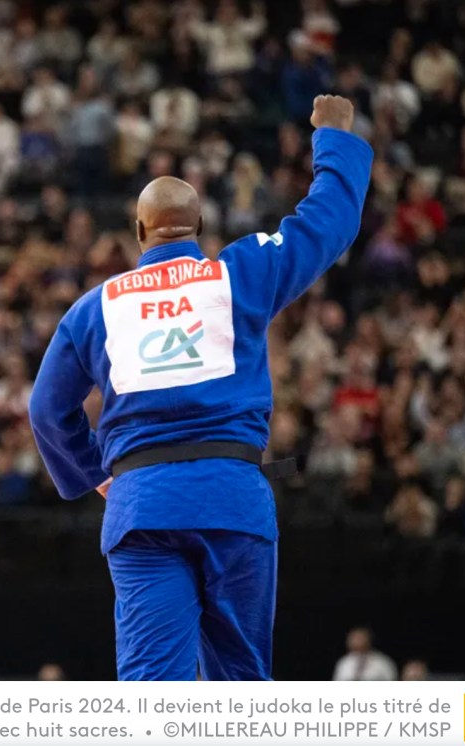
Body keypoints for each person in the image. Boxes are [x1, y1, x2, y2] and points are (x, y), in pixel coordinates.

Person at [28, 96, 373, 681]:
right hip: (232, 497)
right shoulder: (238, 276)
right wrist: (334, 139)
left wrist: (96, 475)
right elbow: (327, 225)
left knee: (155, 693)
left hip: (143, 506)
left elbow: (46, 410)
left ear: (139, 232)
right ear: (201, 227)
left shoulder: (96, 309)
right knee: (238, 687)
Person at [332, 627, 398, 681]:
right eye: (354, 638)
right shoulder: (344, 663)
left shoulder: (382, 662)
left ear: (368, 640)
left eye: (359, 638)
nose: (356, 641)